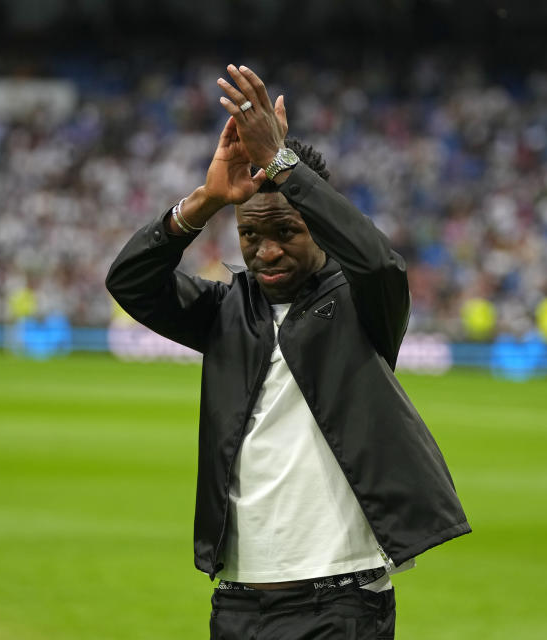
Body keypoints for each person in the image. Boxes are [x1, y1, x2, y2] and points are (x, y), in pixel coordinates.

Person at [106, 64, 469, 639]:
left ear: (318, 227)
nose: (265, 251)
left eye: (285, 232)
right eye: (251, 235)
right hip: (239, 601)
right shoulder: (226, 311)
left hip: (342, 599)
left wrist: (283, 164)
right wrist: (204, 202)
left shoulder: (361, 305)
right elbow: (130, 283)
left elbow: (379, 262)